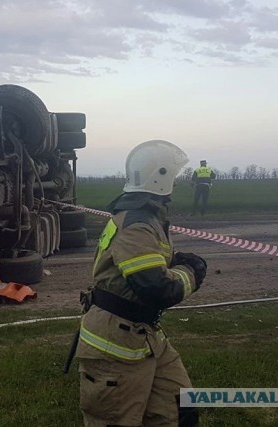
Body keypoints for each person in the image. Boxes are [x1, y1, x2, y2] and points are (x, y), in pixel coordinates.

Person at [75, 140, 205, 426]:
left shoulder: (146, 217)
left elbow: (143, 265)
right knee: (115, 419)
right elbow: (155, 287)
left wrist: (172, 261)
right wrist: (192, 272)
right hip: (115, 341)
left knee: (180, 408)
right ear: (161, 176)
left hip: (145, 335)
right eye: (175, 174)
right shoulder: (138, 224)